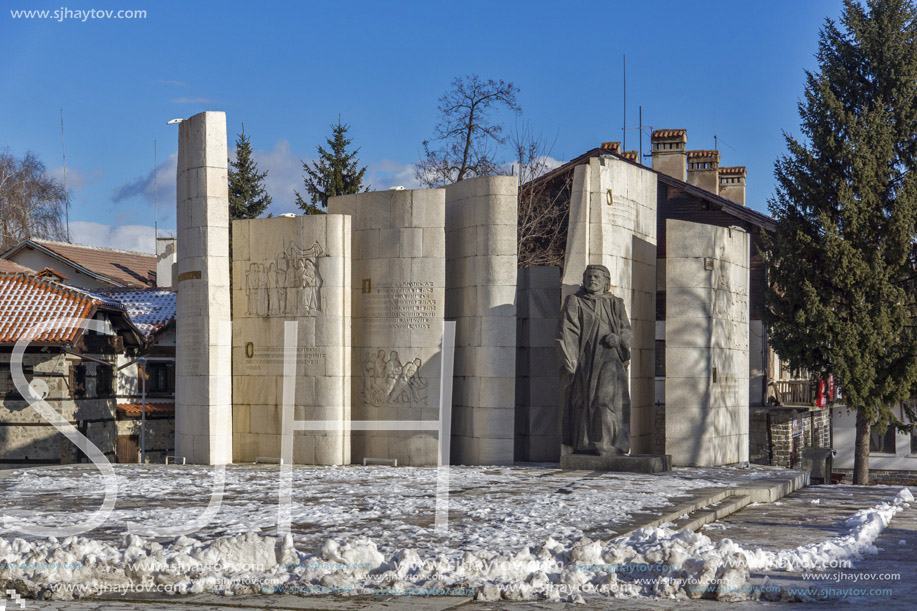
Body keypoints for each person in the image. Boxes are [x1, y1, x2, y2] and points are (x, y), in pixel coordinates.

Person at [556, 264, 632, 456]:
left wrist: (619, 339)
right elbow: (568, 330)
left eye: (597, 276)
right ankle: (586, 443)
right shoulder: (575, 301)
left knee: (604, 399)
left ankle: (606, 442)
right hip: (585, 360)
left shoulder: (616, 303)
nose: (592, 279)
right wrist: (570, 359)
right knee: (584, 402)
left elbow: (627, 331)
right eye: (589, 276)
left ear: (606, 282)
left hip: (610, 360)